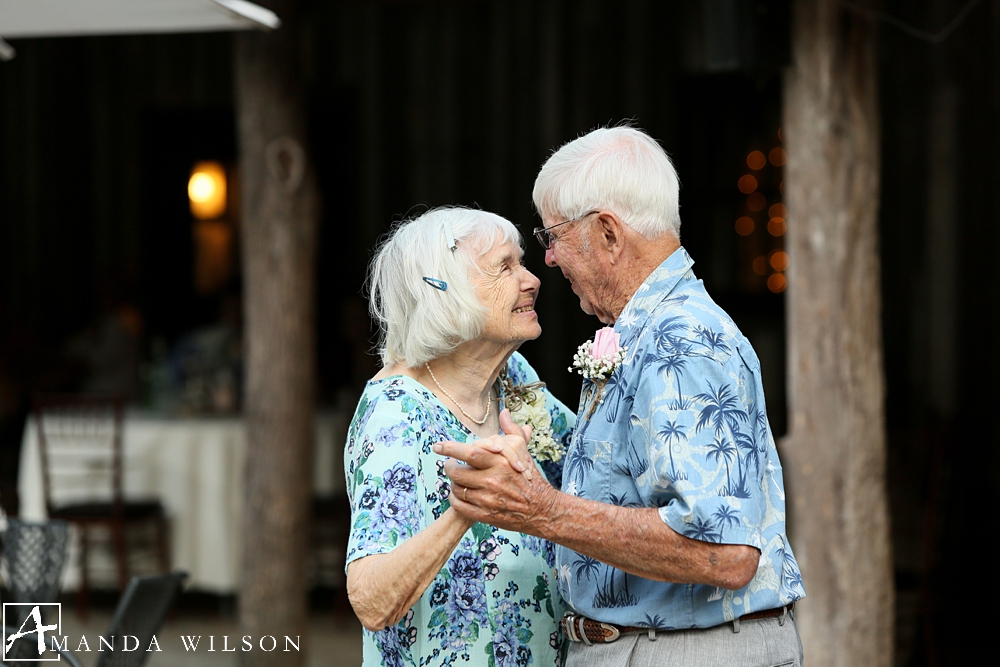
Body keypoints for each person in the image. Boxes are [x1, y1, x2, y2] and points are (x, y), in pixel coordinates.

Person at [436, 127, 806, 667]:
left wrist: (544, 511)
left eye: (552, 237)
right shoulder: (648, 331)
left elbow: (725, 554)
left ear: (608, 233)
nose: (551, 261)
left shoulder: (679, 340)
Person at [345, 207, 576, 667]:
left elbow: (592, 466)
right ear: (444, 291)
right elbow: (371, 601)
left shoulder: (511, 379)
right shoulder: (395, 412)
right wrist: (468, 508)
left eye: (522, 263)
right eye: (505, 267)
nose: (532, 279)